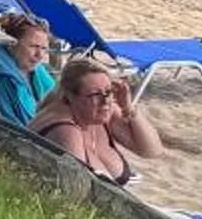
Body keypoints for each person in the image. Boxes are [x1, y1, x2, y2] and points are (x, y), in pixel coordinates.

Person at [31, 57, 164, 186]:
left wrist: (128, 108)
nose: (105, 101)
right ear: (71, 96)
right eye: (95, 94)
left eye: (109, 91)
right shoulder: (65, 129)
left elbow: (152, 150)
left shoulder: (99, 113)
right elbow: (79, 189)